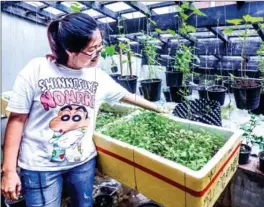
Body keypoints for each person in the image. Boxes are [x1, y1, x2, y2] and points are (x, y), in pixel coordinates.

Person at [1, 13, 166, 207]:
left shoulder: (97, 76)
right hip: (40, 167)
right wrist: (9, 171)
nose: (98, 53)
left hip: (83, 163)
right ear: (70, 50)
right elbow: (17, 120)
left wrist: (158, 108)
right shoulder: (36, 70)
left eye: (100, 46)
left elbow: (127, 96)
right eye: (91, 49)